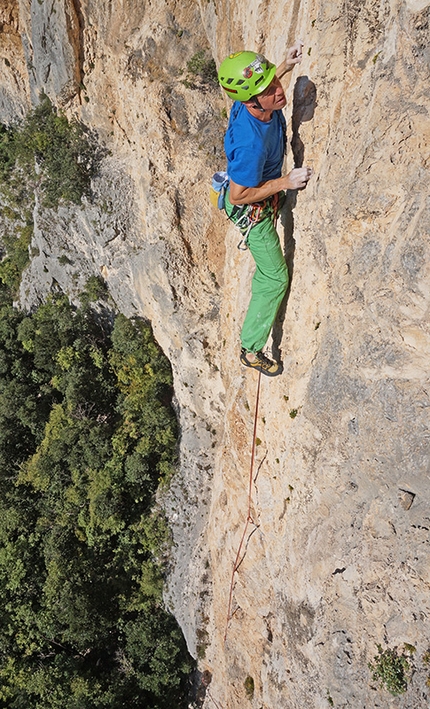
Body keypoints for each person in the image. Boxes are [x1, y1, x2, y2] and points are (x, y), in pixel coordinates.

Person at [218, 42, 312, 376]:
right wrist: (285, 182)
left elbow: (265, 84)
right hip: (252, 211)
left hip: (265, 193)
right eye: (269, 90)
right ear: (251, 102)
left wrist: (283, 65)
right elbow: (240, 196)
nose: (279, 91)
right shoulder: (250, 143)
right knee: (274, 277)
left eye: (275, 81)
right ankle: (251, 349)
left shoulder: (252, 103)